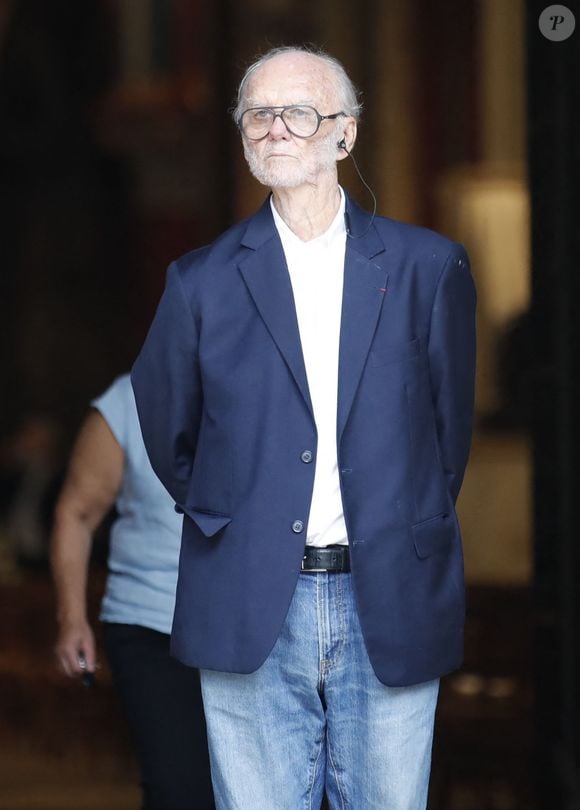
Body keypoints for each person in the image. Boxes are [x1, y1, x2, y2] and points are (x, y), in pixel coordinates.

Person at [131, 45, 476, 810]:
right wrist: (237, 514)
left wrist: (396, 514)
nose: (275, 129)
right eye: (258, 114)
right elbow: (168, 432)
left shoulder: (428, 268)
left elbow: (448, 440)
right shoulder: (199, 282)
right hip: (247, 591)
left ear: (345, 135)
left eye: (298, 112)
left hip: (389, 586)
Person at [50, 374, 214, 810]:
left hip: (259, 627)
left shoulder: (277, 386)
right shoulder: (128, 400)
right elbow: (77, 512)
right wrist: (72, 619)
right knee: (180, 792)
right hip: (152, 622)